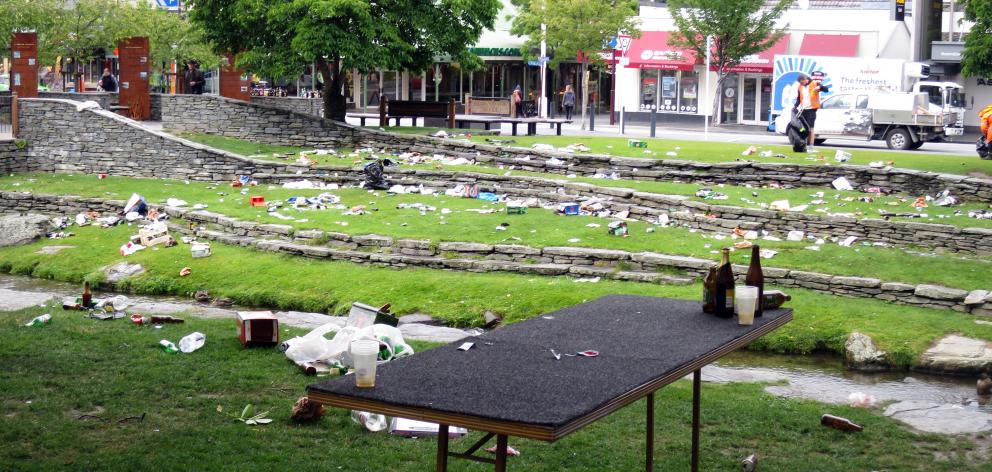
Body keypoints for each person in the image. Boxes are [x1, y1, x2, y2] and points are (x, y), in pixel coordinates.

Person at [793, 71, 827, 150]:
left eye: (802, 82)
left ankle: (811, 147)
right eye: (800, 83)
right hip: (803, 110)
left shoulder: (814, 84)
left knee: (811, 128)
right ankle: (803, 145)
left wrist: (820, 87)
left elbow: (826, 89)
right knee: (803, 129)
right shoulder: (800, 87)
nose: (801, 84)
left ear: (805, 79)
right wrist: (795, 106)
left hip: (812, 110)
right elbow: (799, 99)